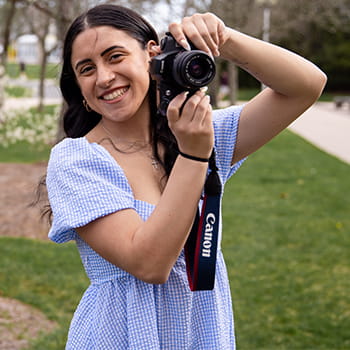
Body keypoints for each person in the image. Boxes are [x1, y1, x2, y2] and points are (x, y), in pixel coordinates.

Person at [45, 3, 326, 349]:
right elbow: (148, 263)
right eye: (86, 68)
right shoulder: (76, 160)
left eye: (115, 56)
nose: (103, 77)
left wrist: (221, 39)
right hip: (123, 335)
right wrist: (194, 155)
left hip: (204, 331)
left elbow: (306, 86)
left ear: (152, 55)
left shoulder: (202, 131)